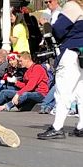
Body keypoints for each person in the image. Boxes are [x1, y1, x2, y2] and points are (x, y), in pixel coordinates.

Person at [37, 0, 83, 139]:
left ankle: (57, 127)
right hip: (81, 53)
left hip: (71, 52)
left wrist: (47, 24)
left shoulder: (72, 6)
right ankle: (81, 126)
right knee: (80, 91)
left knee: (63, 91)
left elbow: (58, 31)